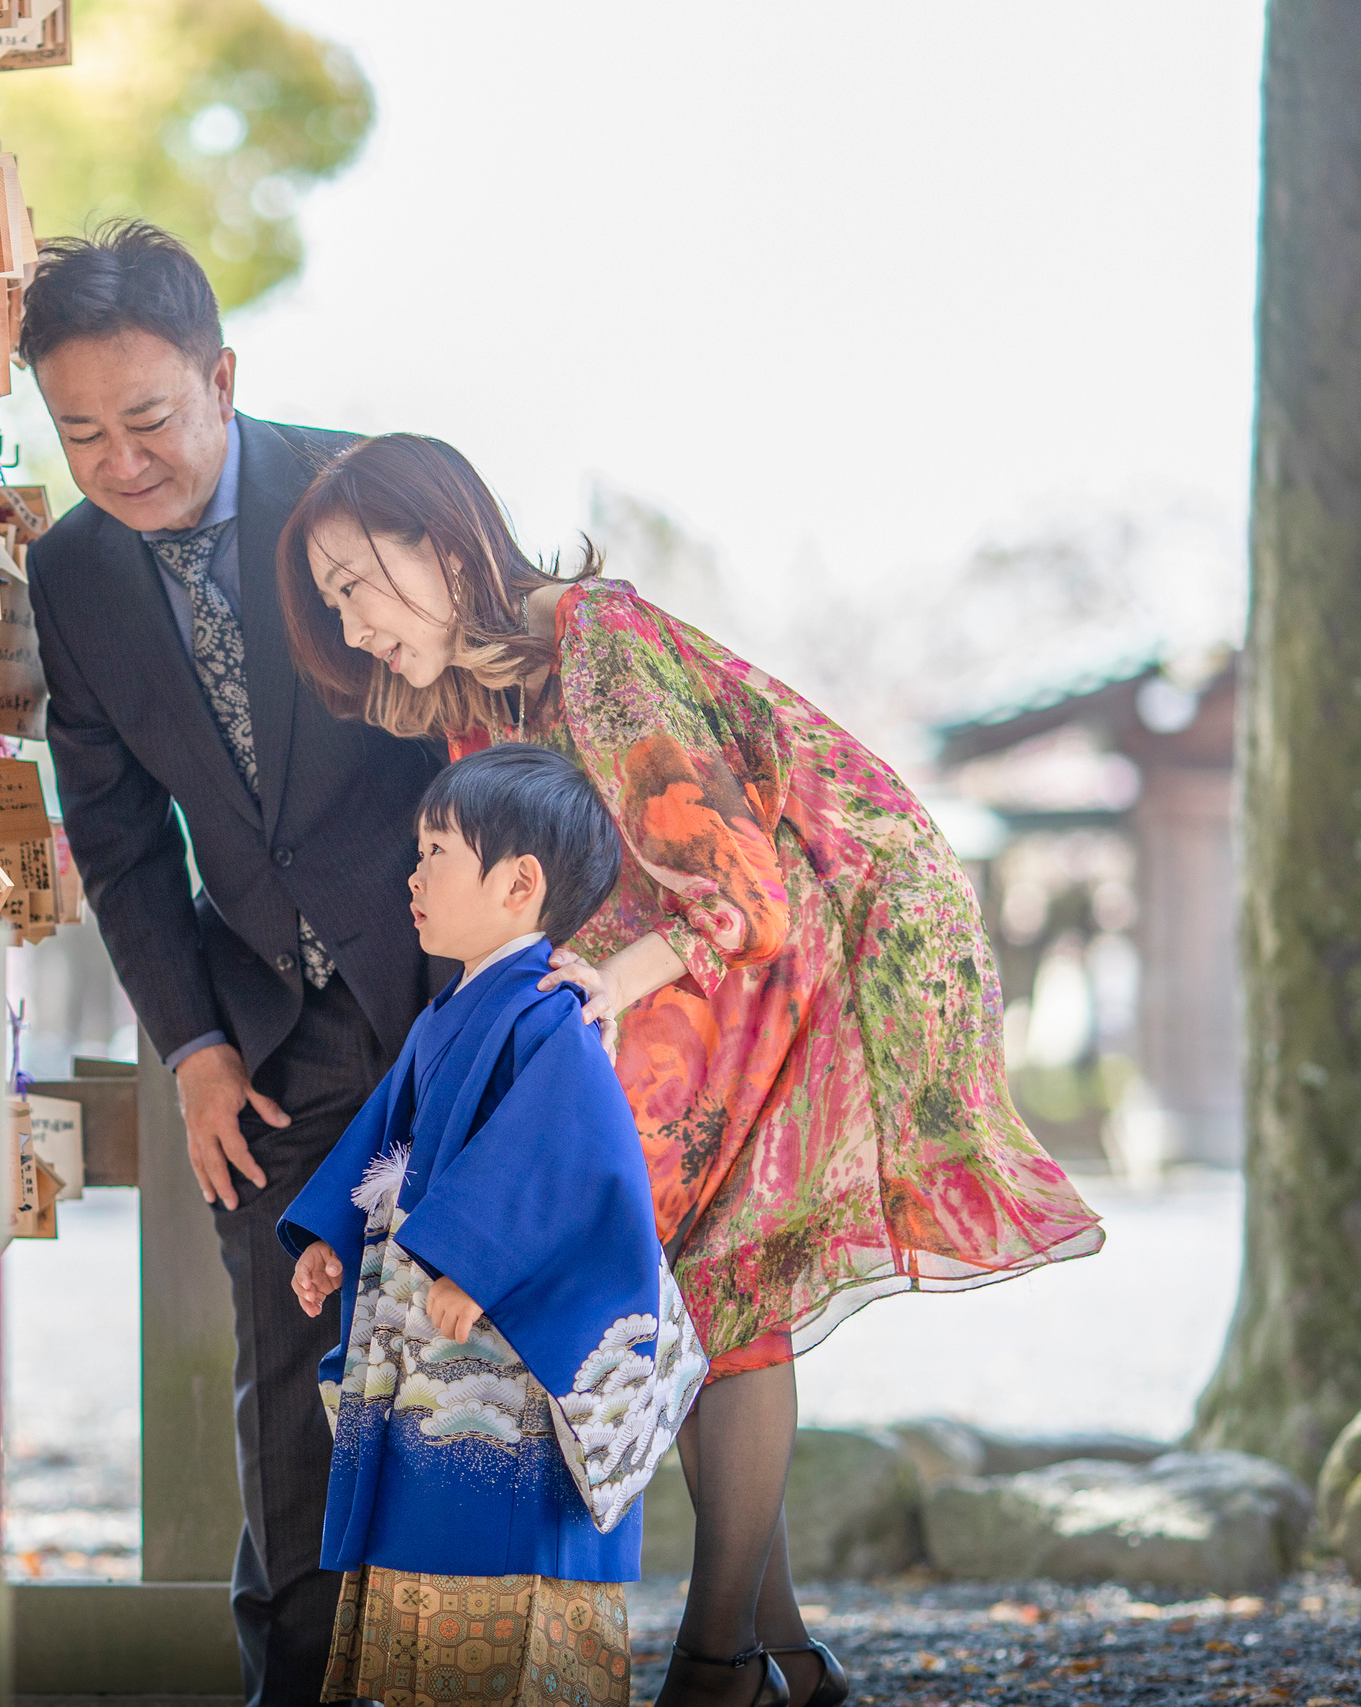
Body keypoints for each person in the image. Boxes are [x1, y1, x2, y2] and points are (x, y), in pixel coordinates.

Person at [274, 433, 1108, 1707]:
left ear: (444, 544)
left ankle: (717, 1660)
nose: (352, 621)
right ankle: (779, 1660)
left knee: (700, 1278)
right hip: (676, 959)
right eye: (331, 602)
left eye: (359, 581)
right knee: (690, 1285)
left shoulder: (598, 640)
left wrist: (606, 986)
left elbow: (742, 888)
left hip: (815, 927)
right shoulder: (477, 704)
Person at [19, 223, 449, 1703]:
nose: (120, 459)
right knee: (289, 1379)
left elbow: (495, 728)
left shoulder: (364, 494)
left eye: (148, 418)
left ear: (222, 375)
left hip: (456, 995)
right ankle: (299, 1682)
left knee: (482, 1350)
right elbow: (123, 841)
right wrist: (194, 1047)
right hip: (266, 1028)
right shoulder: (67, 577)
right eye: (81, 433)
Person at [278, 743, 710, 1707]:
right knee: (428, 1521)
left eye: (437, 851)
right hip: (435, 1344)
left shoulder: (550, 1018)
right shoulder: (452, 1014)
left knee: (502, 1543)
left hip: (496, 1349)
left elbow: (573, 1155)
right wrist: (328, 1237)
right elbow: (378, 1136)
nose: (413, 873)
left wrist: (479, 1263)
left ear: (519, 884)